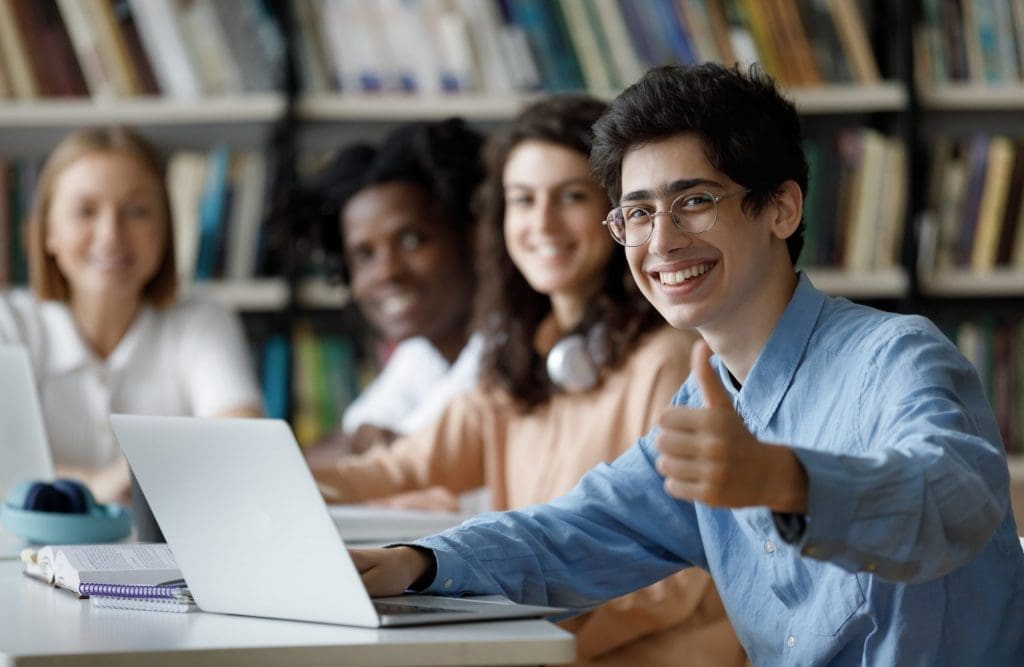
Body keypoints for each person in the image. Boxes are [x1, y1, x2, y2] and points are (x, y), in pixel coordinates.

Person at [349, 64, 1024, 665]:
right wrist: (418, 560)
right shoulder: (704, 403)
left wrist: (791, 481)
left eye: (694, 201)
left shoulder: (895, 356)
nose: (662, 241)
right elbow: (574, 530)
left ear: (781, 208)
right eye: (637, 212)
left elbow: (956, 501)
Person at [314, 95, 744, 666]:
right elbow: (398, 468)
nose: (541, 225)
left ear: (620, 213)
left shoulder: (669, 359)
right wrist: (282, 489)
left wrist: (523, 633)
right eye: (522, 201)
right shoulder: (519, 358)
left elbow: (676, 577)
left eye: (569, 197)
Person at [0, 127, 262, 503]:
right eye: (85, 212)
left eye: (137, 212)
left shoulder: (201, 320)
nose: (110, 235)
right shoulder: (10, 323)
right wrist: (100, 485)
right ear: (47, 233)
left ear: (166, 233)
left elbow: (244, 445)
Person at [303, 119, 485, 463]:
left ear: (472, 238)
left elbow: (404, 463)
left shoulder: (511, 349)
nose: (387, 272)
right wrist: (364, 441)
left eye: (412, 240)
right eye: (364, 255)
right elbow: (318, 456)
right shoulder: (421, 353)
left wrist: (373, 446)